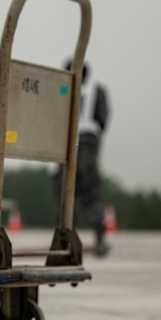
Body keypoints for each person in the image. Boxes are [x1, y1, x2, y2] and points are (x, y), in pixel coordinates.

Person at [54, 60, 111, 257]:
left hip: (73, 141)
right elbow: (103, 120)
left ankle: (65, 240)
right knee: (89, 192)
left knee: (65, 192)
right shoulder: (98, 90)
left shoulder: (64, 89)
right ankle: (98, 239)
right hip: (87, 141)